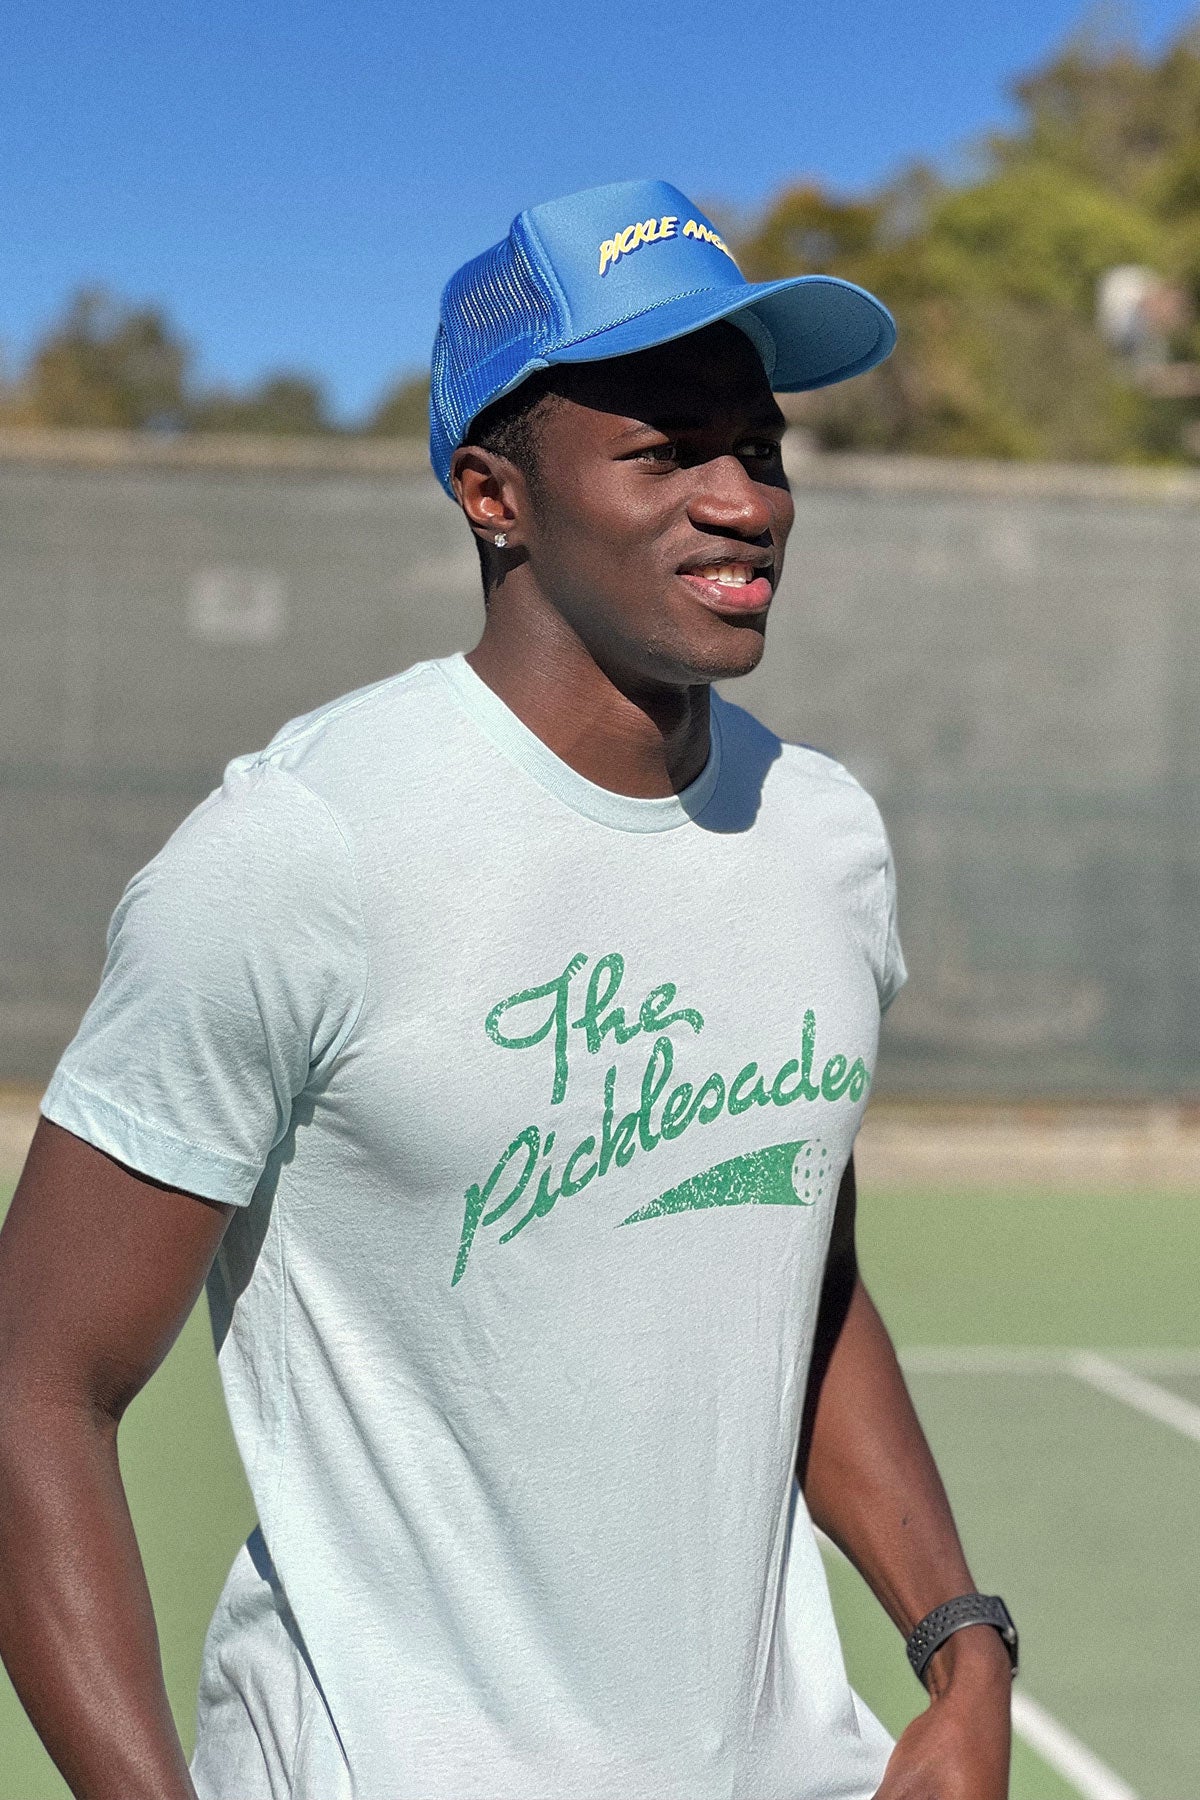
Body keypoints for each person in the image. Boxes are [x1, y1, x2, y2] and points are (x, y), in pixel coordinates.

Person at [0, 178, 1015, 1800]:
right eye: (665, 451)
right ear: (494, 494)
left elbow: (803, 1269)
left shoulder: (825, 837)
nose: (744, 501)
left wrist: (961, 1647)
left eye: (759, 447)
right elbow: (34, 1388)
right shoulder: (301, 852)